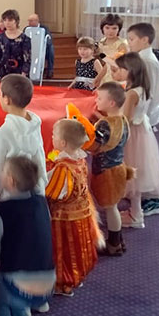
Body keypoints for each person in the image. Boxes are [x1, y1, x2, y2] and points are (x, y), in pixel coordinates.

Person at [0, 157, 55, 316]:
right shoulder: (42, 201)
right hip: (48, 283)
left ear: (10, 180)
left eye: (3, 171)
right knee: (16, 298)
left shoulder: (0, 209)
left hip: (17, 285)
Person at [45, 119, 99, 297]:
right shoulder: (80, 160)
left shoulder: (64, 167)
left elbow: (54, 192)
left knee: (64, 252)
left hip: (65, 218)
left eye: (54, 135)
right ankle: (77, 276)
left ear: (62, 143)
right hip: (82, 214)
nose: (52, 137)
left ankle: (64, 283)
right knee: (79, 248)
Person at [113, 53, 159, 229]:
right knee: (136, 177)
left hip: (132, 135)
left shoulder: (131, 94)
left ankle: (136, 216)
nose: (118, 71)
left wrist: (107, 120)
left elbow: (126, 119)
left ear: (131, 71)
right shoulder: (142, 88)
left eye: (121, 69)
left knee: (131, 176)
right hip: (142, 132)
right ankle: (135, 212)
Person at [0, 75, 47, 199]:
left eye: (0, 94)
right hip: (35, 194)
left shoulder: (2, 133)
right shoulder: (34, 125)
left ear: (7, 100)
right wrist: (41, 185)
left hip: (11, 197)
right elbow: (40, 159)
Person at [126, 22, 159, 217]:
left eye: (132, 39)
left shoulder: (147, 62)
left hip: (142, 116)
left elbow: (152, 93)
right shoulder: (140, 58)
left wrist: (142, 114)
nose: (129, 43)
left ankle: (152, 199)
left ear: (145, 40)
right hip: (139, 114)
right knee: (135, 158)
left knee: (142, 159)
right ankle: (137, 194)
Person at [89, 82, 133, 256]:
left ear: (111, 103)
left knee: (110, 208)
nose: (96, 101)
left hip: (107, 172)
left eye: (100, 98)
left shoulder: (105, 125)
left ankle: (113, 244)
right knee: (112, 206)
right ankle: (118, 240)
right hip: (118, 167)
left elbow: (94, 146)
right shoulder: (122, 120)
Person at [0, 10, 31, 81]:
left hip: (19, 73)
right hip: (4, 73)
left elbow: (27, 59)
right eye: (5, 20)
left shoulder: (25, 38)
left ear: (16, 21)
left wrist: (23, 76)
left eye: (10, 20)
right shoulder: (0, 37)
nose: (7, 23)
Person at [93, 14, 129, 86]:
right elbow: (107, 64)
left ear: (119, 29)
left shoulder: (122, 44)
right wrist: (99, 77)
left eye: (114, 28)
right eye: (107, 28)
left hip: (118, 75)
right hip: (107, 75)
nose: (110, 31)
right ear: (102, 28)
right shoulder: (102, 42)